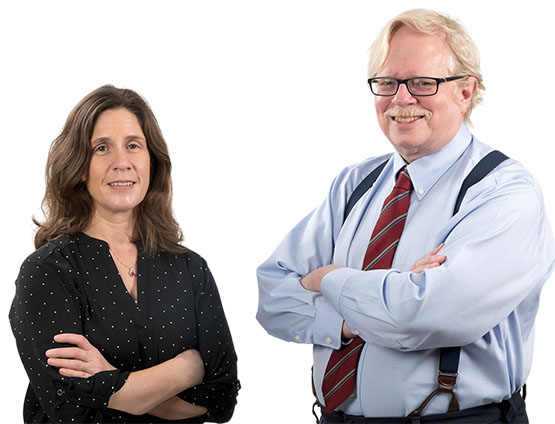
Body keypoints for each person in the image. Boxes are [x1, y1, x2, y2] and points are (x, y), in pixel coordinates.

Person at [256, 9, 554, 424]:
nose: (400, 99)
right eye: (387, 82)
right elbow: (272, 297)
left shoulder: (504, 192)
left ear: (466, 91)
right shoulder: (356, 183)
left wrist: (325, 280)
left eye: (421, 82)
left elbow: (424, 317)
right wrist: (374, 307)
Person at [9, 85, 239, 423]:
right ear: (78, 166)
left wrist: (114, 384)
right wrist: (187, 369)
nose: (122, 162)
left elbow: (221, 400)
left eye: (134, 145)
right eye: (102, 148)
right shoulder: (47, 271)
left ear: (152, 160)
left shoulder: (190, 269)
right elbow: (72, 408)